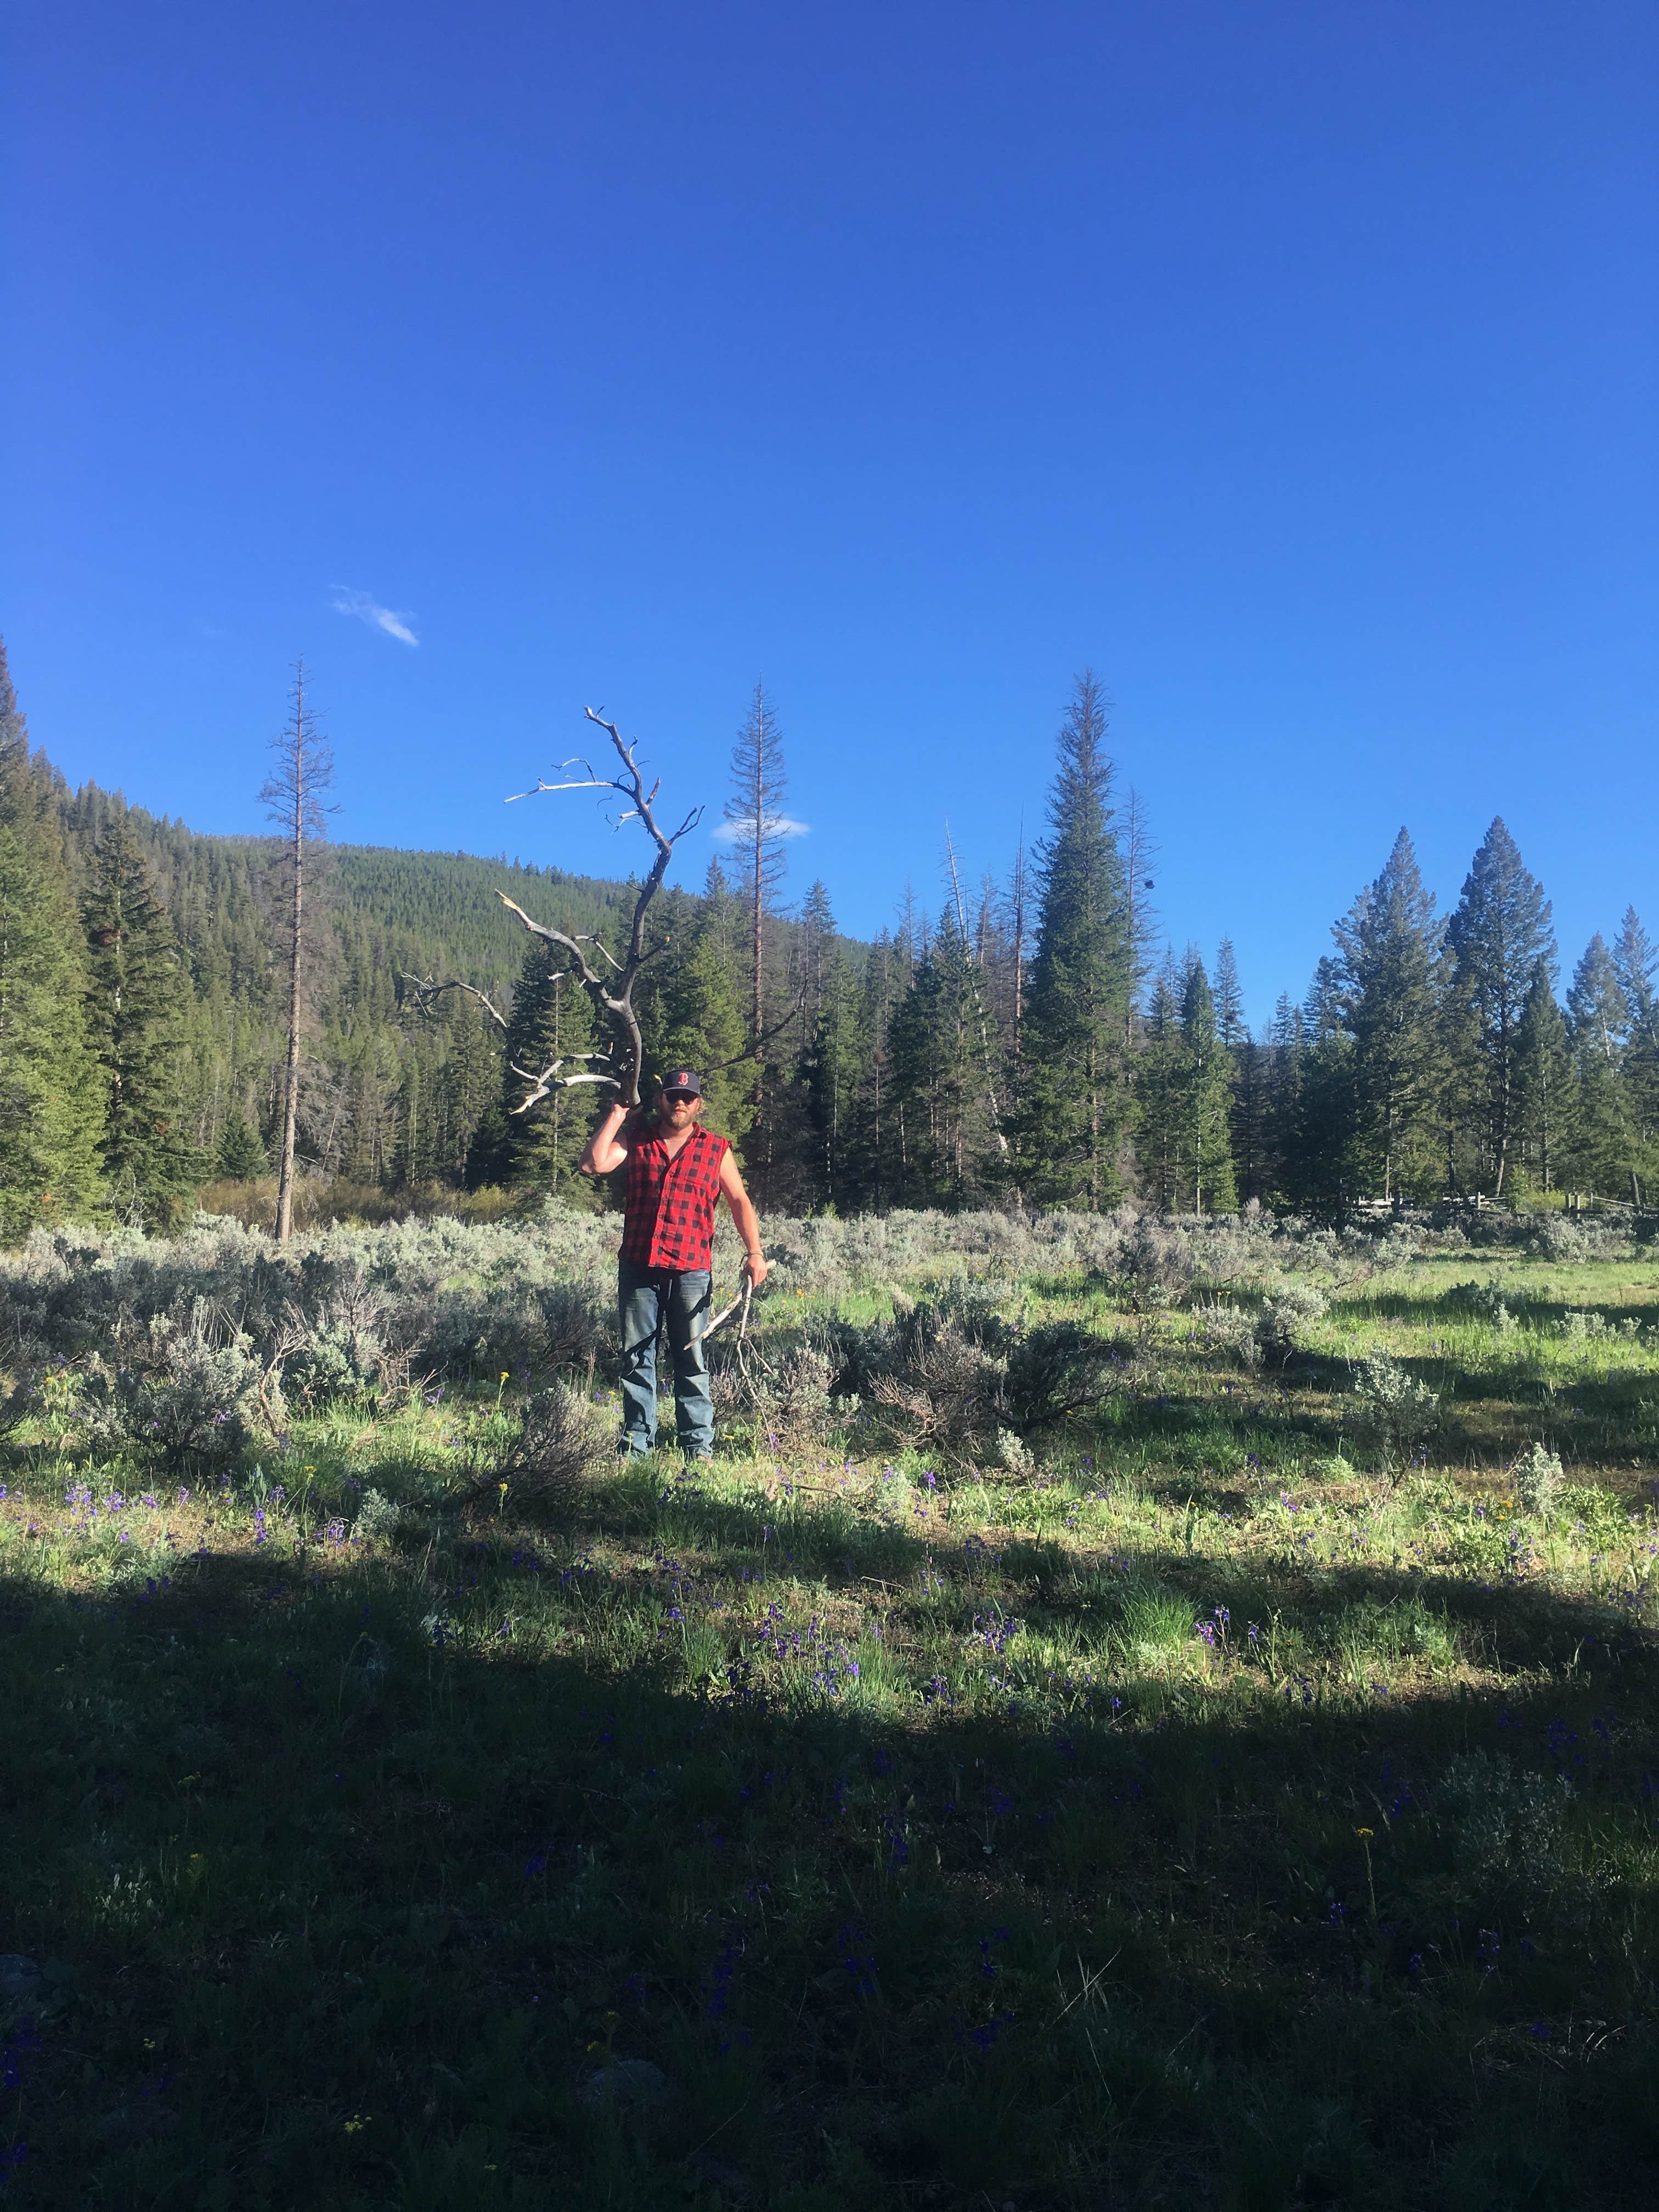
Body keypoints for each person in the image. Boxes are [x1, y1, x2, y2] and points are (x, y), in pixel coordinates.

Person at [578, 1068, 769, 1460]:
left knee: (692, 1360)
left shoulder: (716, 1149)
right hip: (638, 1268)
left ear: (699, 1104)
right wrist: (617, 1114)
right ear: (660, 1099)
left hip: (691, 1271)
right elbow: (593, 1164)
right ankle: (636, 1446)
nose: (679, 1102)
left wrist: (755, 1252)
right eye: (672, 1095)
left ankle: (697, 1447)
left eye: (687, 1096)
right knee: (636, 1360)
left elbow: (739, 1202)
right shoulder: (637, 1140)